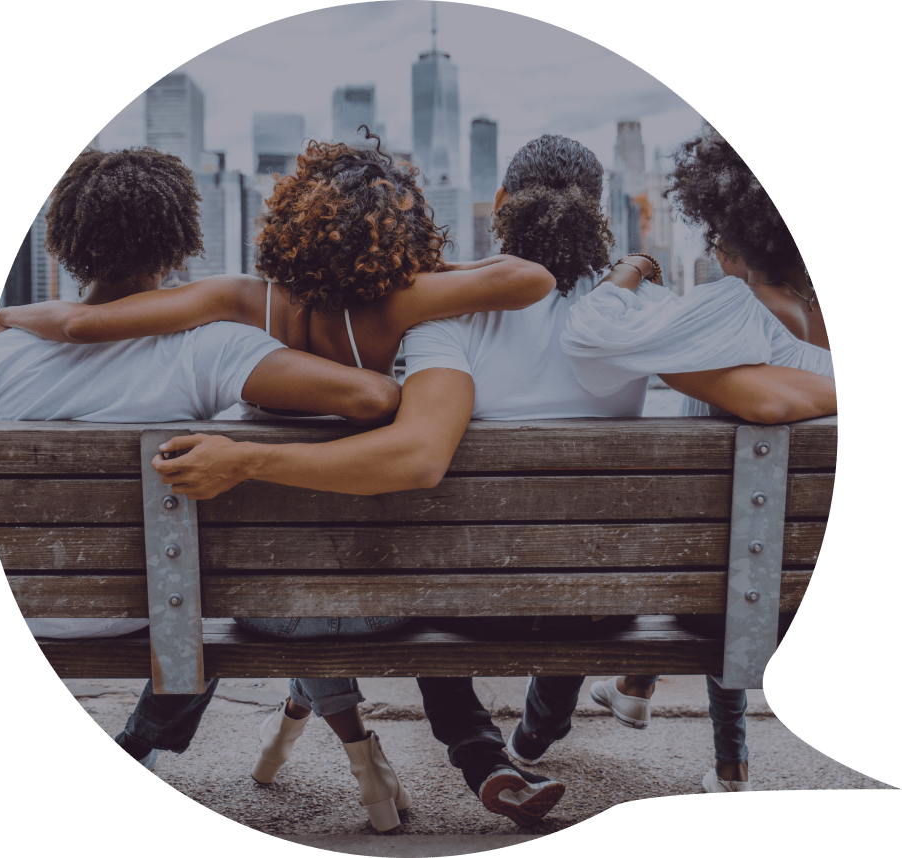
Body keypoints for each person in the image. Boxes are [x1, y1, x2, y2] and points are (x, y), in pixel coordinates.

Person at [145, 134, 837, 822]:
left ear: (502, 204)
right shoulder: (638, 318)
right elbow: (762, 396)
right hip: (610, 596)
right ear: (600, 214)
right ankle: (524, 737)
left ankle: (481, 747)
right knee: (568, 554)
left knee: (422, 565)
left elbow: (418, 456)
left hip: (473, 598)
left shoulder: (449, 318)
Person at [0, 135, 556, 831]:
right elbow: (523, 283)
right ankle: (474, 755)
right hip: (365, 591)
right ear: (179, 241)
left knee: (243, 584)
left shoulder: (241, 303)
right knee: (299, 578)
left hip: (93, 601)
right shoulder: (402, 309)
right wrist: (418, 265)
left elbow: (79, 323)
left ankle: (145, 749)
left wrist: (12, 317)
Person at [559, 126, 834, 794]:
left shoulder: (737, 310)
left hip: (730, 601)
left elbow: (589, 340)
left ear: (735, 233)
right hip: (816, 594)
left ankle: (623, 694)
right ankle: (691, 734)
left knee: (719, 549)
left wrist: (629, 269)